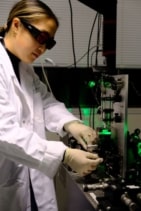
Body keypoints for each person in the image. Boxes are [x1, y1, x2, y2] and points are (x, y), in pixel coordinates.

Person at [0, 0, 103, 210]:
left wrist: (71, 124)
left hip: (31, 179)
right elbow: (4, 131)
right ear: (17, 25)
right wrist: (65, 154)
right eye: (40, 37)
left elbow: (44, 101)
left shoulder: (23, 66)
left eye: (49, 43)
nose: (43, 47)